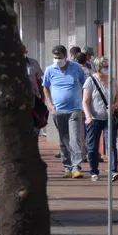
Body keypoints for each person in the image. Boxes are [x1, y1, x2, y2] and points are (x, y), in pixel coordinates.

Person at [43, 45, 88, 178]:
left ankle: (76, 167)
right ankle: (67, 166)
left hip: (74, 109)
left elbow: (85, 85)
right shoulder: (50, 70)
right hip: (58, 111)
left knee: (75, 139)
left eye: (60, 57)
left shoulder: (76, 68)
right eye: (55, 58)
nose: (57, 60)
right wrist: (50, 105)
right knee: (64, 140)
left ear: (66, 56)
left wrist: (84, 104)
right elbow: (45, 87)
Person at [83, 56, 118, 182]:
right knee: (92, 146)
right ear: (98, 67)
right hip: (94, 118)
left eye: (107, 66)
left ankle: (114, 171)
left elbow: (117, 97)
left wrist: (115, 105)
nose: (106, 68)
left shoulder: (112, 81)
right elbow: (85, 101)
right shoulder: (90, 81)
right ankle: (94, 171)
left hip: (109, 118)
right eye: (104, 66)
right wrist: (88, 116)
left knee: (111, 145)